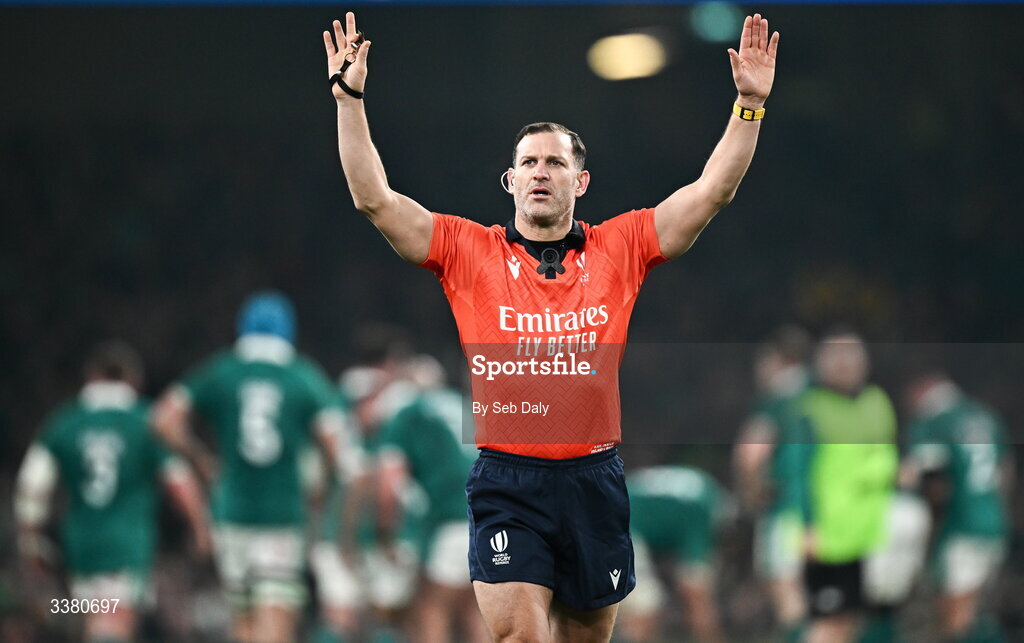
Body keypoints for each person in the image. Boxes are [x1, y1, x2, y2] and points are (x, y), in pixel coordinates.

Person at [322, 10, 780, 641]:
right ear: (511, 181)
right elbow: (374, 198)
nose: (540, 171)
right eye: (529, 162)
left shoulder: (621, 245)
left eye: (555, 163)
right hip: (508, 481)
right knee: (522, 636)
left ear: (580, 181)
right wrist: (348, 100)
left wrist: (749, 106)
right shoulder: (466, 250)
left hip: (595, 481)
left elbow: (710, 194)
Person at [153, 291, 364, 643]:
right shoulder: (302, 376)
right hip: (281, 514)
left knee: (244, 617)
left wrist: (200, 457)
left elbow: (163, 419)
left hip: (230, 512)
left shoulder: (221, 371)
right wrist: (323, 486)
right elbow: (339, 451)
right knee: (275, 614)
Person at [14, 341, 210, 643]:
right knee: (115, 619)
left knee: (95, 614)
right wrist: (199, 525)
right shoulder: (146, 421)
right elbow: (179, 481)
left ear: (91, 376)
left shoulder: (64, 423)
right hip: (127, 542)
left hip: (81, 544)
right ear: (133, 380)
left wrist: (30, 539)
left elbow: (32, 485)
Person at [790, 330, 899, 643]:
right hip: (829, 535)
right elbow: (798, 472)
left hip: (869, 534)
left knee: (852, 622)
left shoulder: (876, 402)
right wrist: (807, 526)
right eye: (836, 359)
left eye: (851, 358)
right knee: (827, 622)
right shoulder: (811, 408)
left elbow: (885, 456)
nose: (845, 366)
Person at [376, 355, 489, 642]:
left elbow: (389, 481)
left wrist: (385, 534)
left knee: (432, 607)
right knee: (474, 609)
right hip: (491, 515)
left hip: (451, 518)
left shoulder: (411, 413)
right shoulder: (463, 405)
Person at [901, 374, 1013, 642]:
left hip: (961, 525)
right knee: (977, 607)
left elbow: (926, 478)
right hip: (994, 523)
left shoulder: (935, 422)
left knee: (956, 613)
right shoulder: (985, 415)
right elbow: (1005, 470)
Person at [732, 325, 812, 642]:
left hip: (786, 507)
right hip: (827, 511)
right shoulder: (823, 393)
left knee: (785, 590)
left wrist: (754, 494)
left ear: (779, 359)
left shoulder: (777, 399)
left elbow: (750, 456)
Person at [617, 465, 735, 643]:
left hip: (610, 518)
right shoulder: (704, 511)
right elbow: (694, 588)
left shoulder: (703, 490)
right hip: (616, 527)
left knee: (643, 607)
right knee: (645, 608)